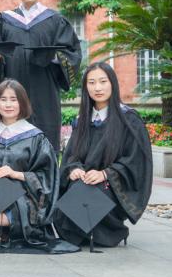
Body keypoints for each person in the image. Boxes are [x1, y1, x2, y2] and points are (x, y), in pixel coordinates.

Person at [53, 62, 153, 248]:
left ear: (112, 83)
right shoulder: (82, 120)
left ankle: (112, 231)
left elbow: (136, 161)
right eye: (91, 83)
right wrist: (74, 169)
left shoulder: (129, 119)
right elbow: (71, 156)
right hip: (84, 182)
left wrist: (105, 174)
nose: (97, 88)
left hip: (112, 186)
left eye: (102, 81)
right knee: (72, 195)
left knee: (90, 194)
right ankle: (88, 232)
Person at [0, 0, 81, 151]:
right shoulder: (5, 21)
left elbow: (72, 52)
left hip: (45, 93)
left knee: (45, 143)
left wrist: (53, 57)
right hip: (12, 93)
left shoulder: (54, 20)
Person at [0, 79, 63, 251]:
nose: (8, 104)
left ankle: (11, 228)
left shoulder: (35, 137)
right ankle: (4, 226)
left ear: (22, 103)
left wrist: (16, 174)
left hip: (24, 196)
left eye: (13, 99)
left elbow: (48, 175)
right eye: (3, 99)